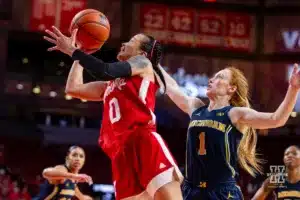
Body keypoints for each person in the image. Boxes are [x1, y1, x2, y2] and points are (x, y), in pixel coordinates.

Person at [43, 26, 183, 200]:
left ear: (143, 53)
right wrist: (80, 53)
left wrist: (72, 51)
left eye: (131, 41)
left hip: (143, 141)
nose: (124, 43)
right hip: (120, 153)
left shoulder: (144, 64)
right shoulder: (110, 86)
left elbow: (105, 69)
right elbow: (73, 88)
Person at [159, 64, 300, 199]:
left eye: (219, 77)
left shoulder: (234, 114)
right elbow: (171, 87)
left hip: (222, 192)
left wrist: (293, 88)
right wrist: (154, 63)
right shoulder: (196, 107)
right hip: (192, 191)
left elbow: (276, 119)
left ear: (231, 88)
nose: (211, 80)